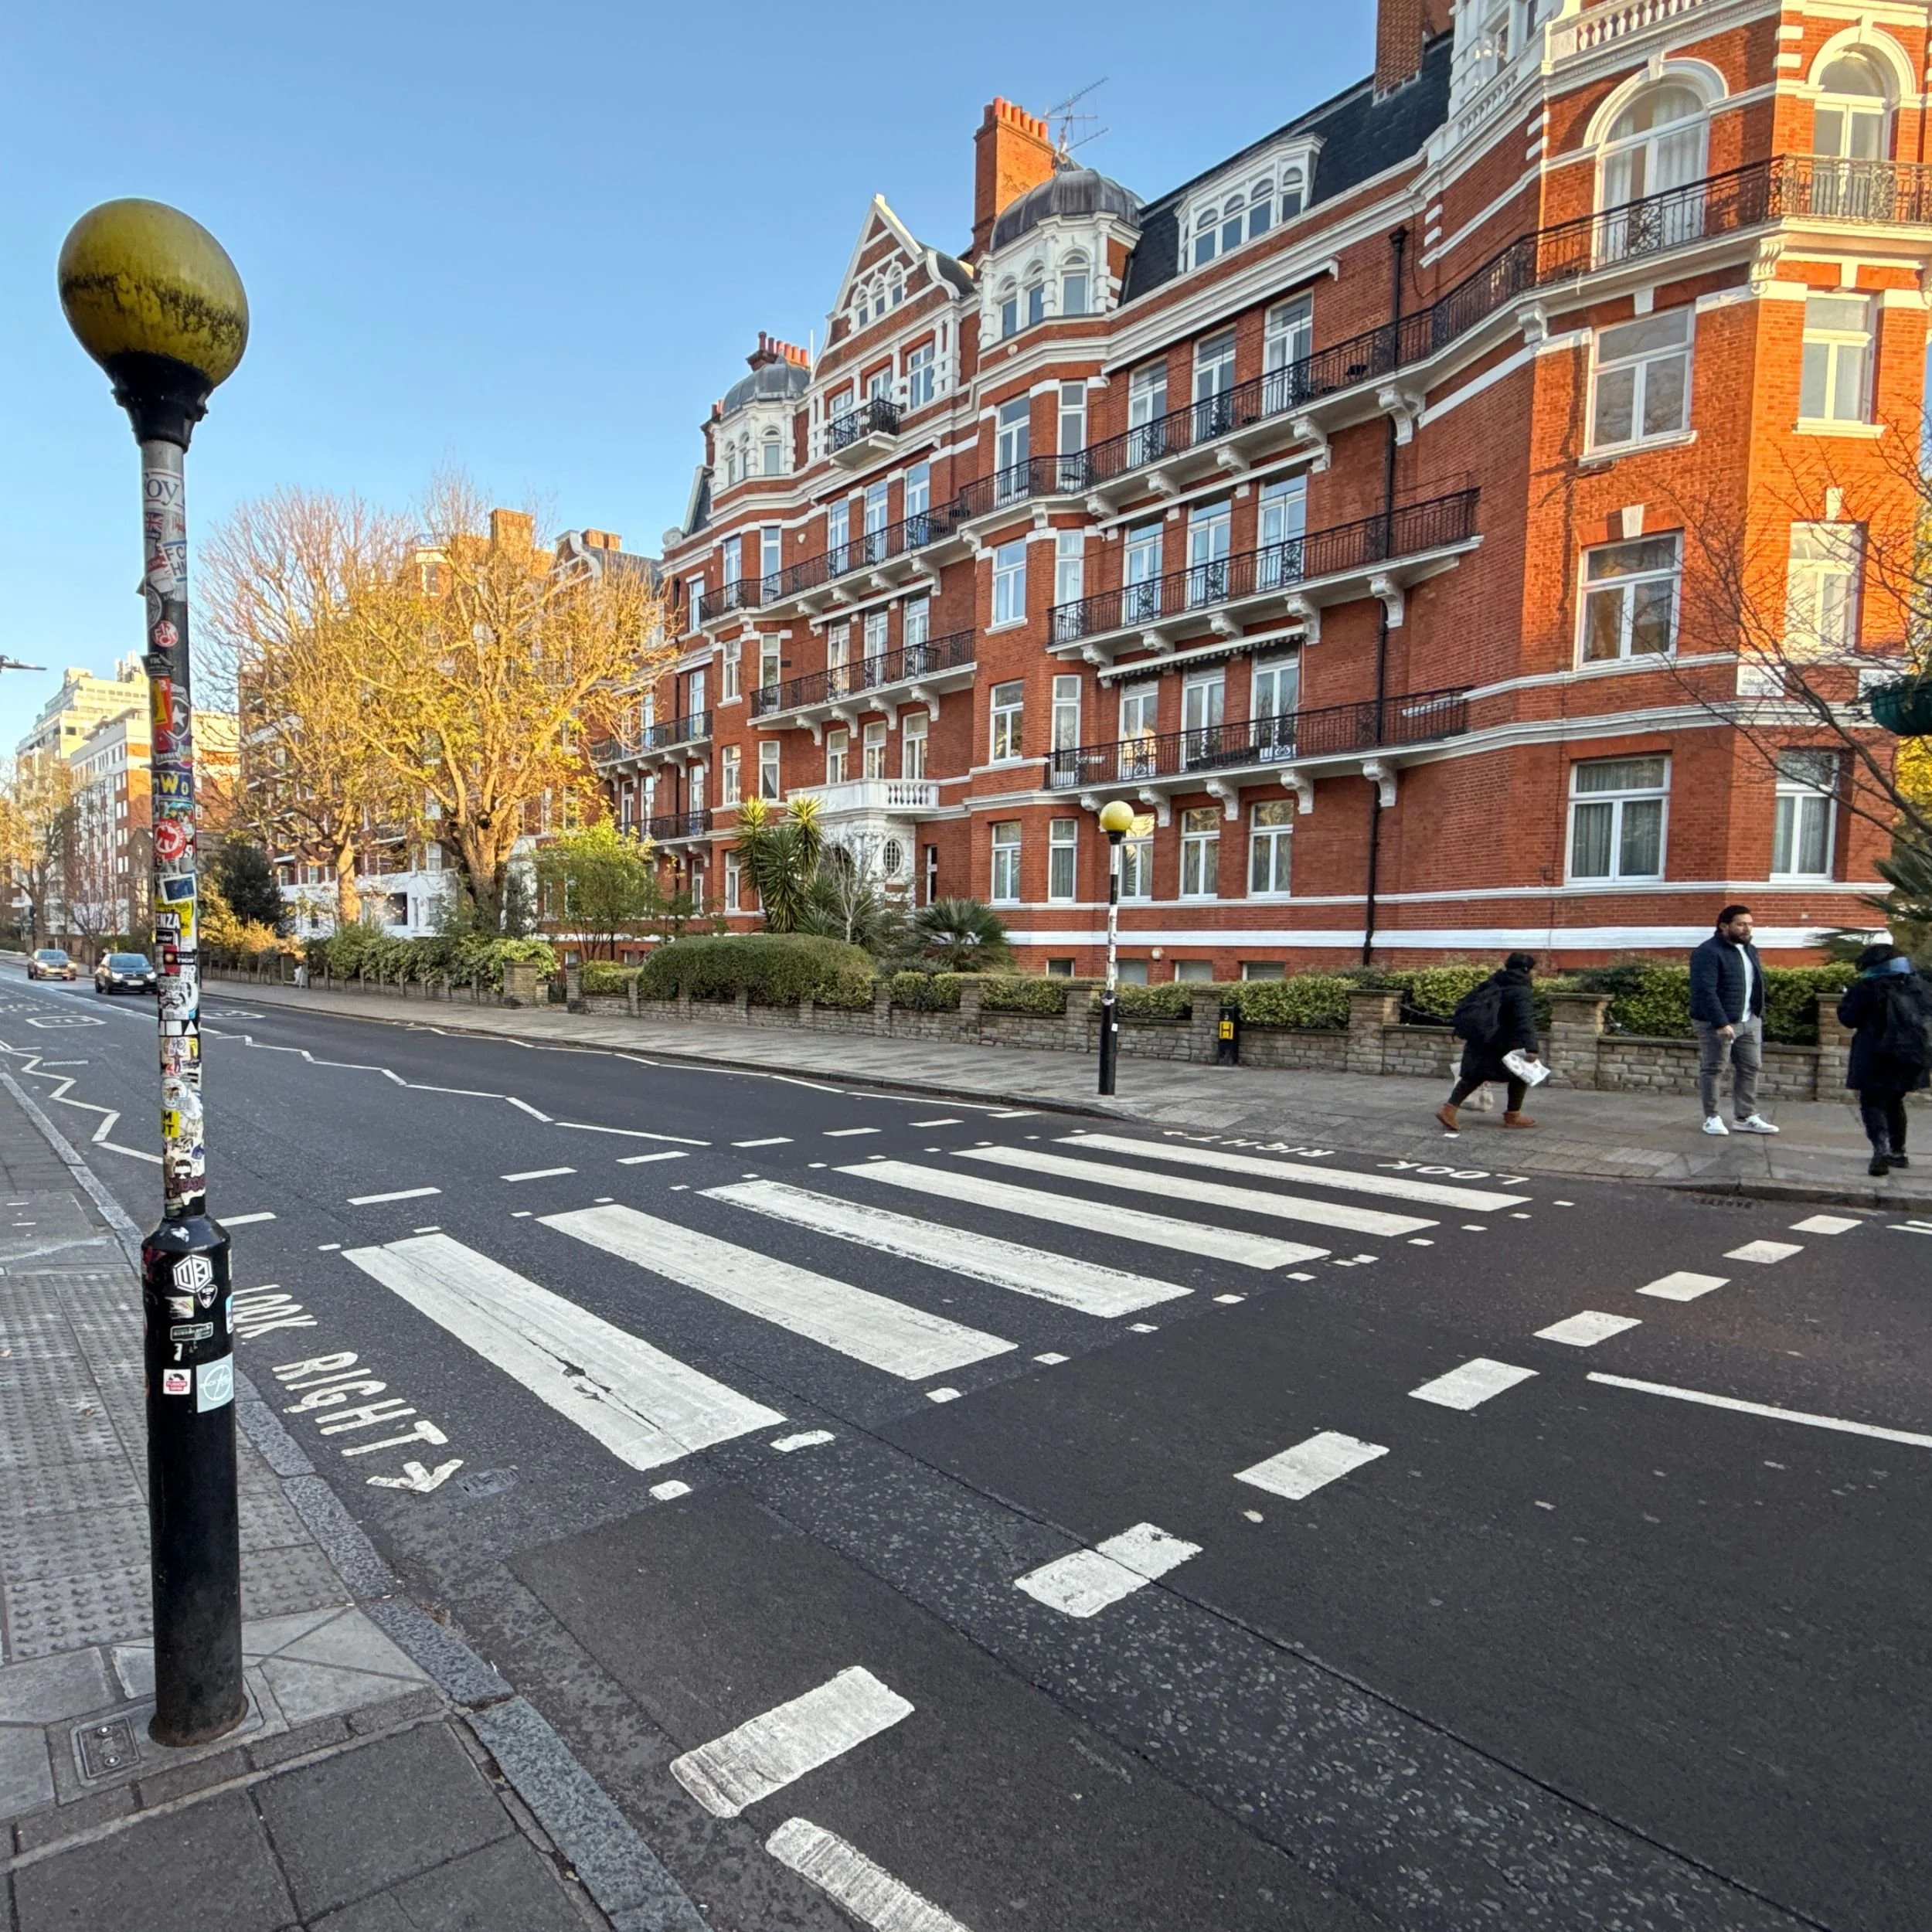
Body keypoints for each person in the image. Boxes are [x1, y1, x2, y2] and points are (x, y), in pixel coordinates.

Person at [1836, 944, 1930, 1177]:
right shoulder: (1919, 985)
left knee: (1872, 1102)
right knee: (1895, 1101)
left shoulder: (1867, 987)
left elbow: (1848, 1018)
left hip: (1875, 1053)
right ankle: (1899, 1153)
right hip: (1908, 1054)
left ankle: (1881, 1150)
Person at [1689, 904, 1779, 1137]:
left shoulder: (1750, 949)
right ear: (1723, 926)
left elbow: (1754, 984)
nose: (1746, 928)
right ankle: (1712, 1118)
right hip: (1717, 1022)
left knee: (1751, 1067)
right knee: (1715, 1068)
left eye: (1749, 923)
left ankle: (1745, 1116)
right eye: (1741, 924)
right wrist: (1720, 1023)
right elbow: (1705, 990)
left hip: (1750, 1020)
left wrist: (1758, 1013)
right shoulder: (1708, 952)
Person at [1437, 952, 1542, 1133]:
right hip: (1505, 1043)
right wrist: (1532, 1047)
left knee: (1474, 1076)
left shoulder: (1494, 981)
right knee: (1521, 1074)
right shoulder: (1520, 989)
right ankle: (1513, 1115)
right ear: (1526, 970)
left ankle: (1449, 1109)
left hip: (1482, 1038)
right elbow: (1524, 1019)